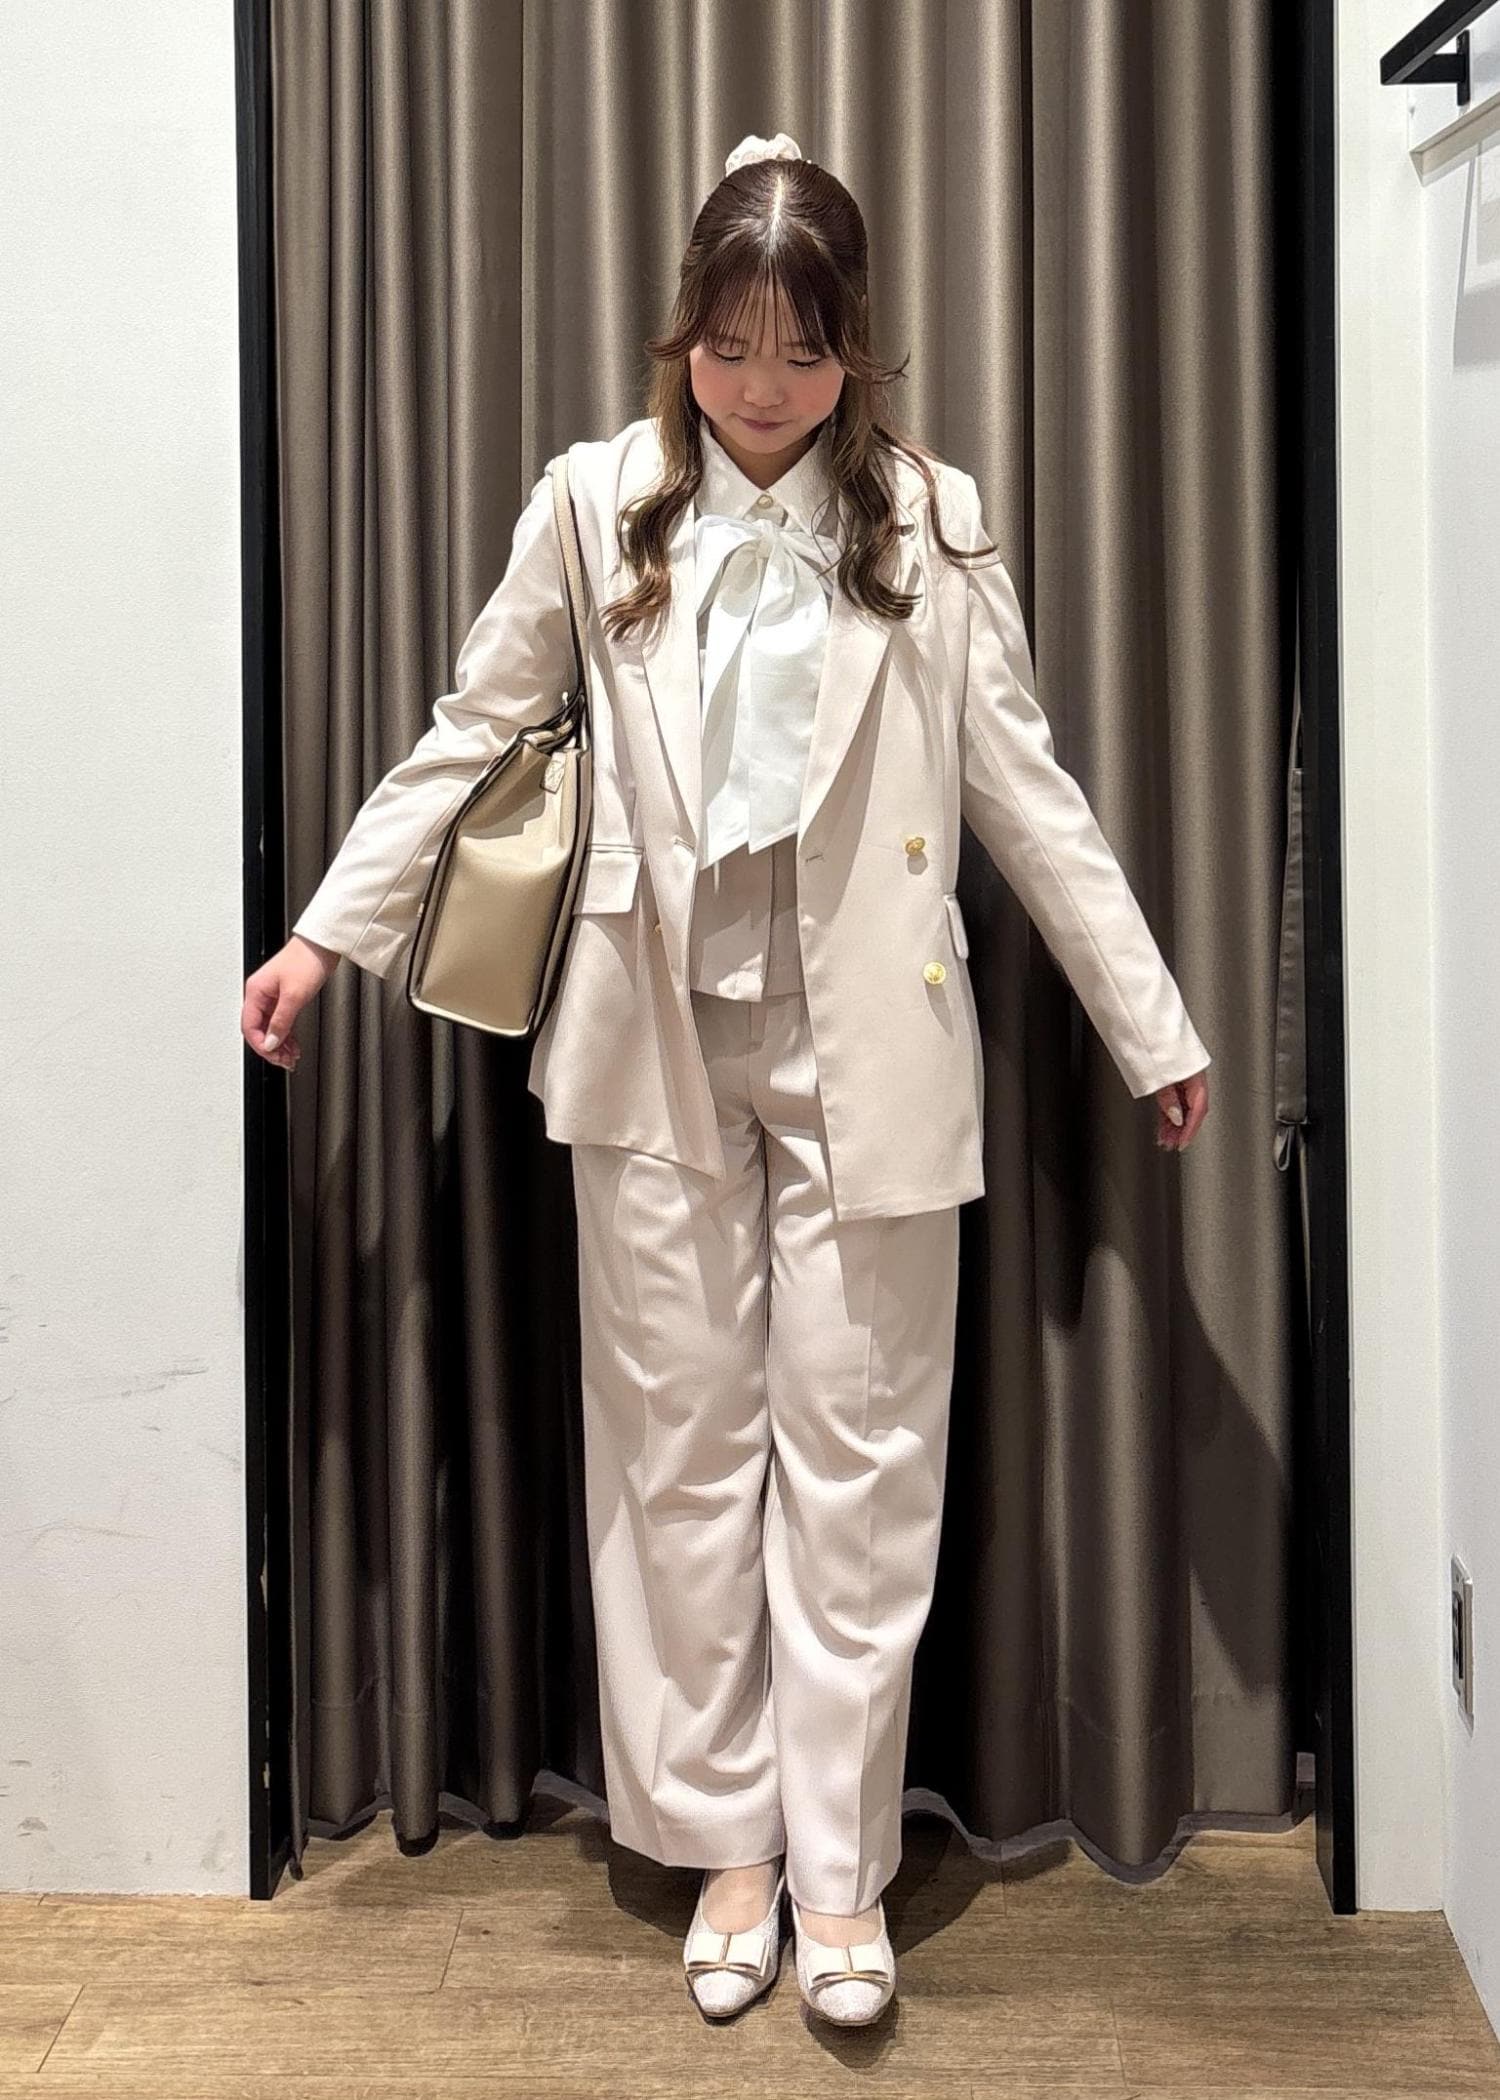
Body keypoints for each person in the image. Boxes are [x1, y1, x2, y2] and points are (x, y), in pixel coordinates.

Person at [242, 130, 1211, 2030]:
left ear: (858, 351)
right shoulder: (592, 502)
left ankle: (842, 1876)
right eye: (731, 344)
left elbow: (1025, 792)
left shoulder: (930, 520)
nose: (762, 387)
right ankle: (729, 1852)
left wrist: (1151, 1023)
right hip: (652, 1038)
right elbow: (473, 731)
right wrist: (326, 936)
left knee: (863, 1466)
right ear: (683, 330)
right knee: (676, 1459)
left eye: (803, 350)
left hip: (878, 1047)